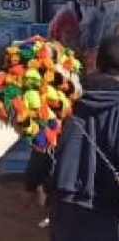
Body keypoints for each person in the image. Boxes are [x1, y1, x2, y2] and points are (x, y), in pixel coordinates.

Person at [26, 35, 119, 241]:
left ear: (98, 62)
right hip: (109, 214)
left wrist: (34, 183)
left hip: (66, 210)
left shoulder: (63, 100)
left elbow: (43, 145)